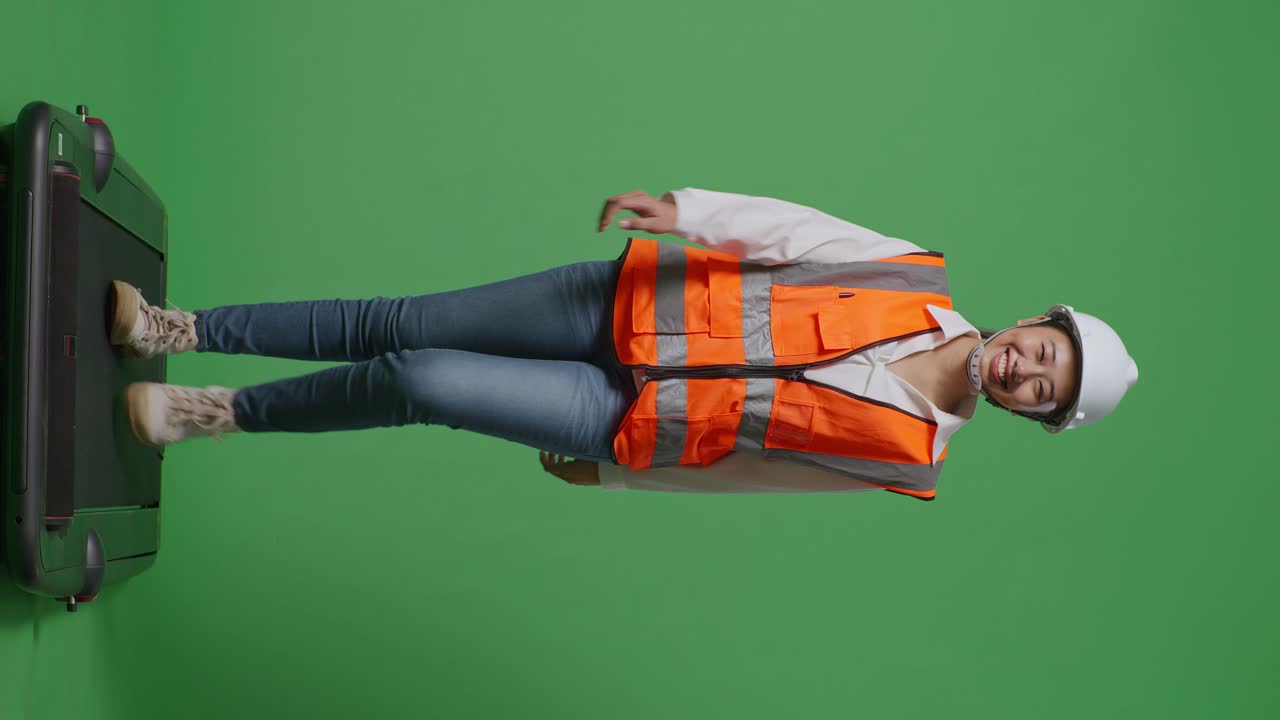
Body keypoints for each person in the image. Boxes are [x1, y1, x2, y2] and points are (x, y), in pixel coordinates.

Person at [109, 188, 1138, 499]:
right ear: (1033, 323)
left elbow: (753, 478)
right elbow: (794, 233)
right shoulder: (911, 274)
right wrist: (686, 208)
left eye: (1040, 390)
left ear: (1030, 416)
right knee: (400, 322)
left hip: (630, 420)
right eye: (1041, 351)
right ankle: (181, 328)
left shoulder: (909, 461)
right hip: (613, 306)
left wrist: (617, 479)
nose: (1023, 369)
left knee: (417, 378)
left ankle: (211, 411)